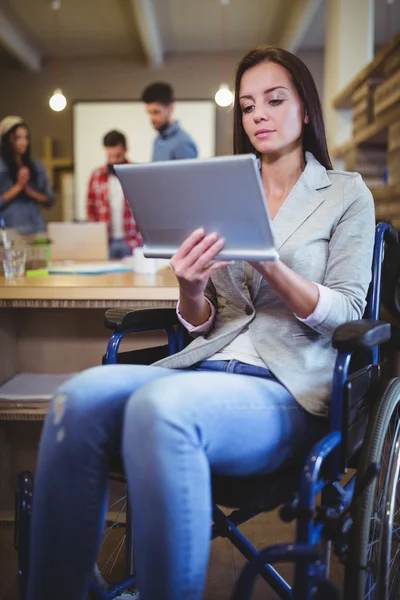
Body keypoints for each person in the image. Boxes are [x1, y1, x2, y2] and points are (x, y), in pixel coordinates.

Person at [27, 45, 375, 600]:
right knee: (79, 396)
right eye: (246, 106)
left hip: (287, 388)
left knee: (159, 408)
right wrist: (189, 288)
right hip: (208, 366)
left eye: (274, 100)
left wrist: (270, 261)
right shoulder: (222, 188)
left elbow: (348, 314)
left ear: (305, 109)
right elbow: (204, 320)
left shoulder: (345, 194)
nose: (258, 114)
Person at [87, 129, 142, 259]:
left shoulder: (138, 173)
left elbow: (148, 210)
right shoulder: (96, 176)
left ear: (125, 150)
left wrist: (139, 239)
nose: (113, 161)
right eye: (110, 156)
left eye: (117, 156)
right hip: (106, 242)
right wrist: (96, 240)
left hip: (133, 243)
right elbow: (91, 211)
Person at [0, 116, 55, 235]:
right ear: (6, 139)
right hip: (9, 231)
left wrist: (28, 191)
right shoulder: (1, 167)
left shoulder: (36, 166)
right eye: (18, 138)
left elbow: (50, 200)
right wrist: (18, 187)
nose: (23, 142)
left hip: (36, 228)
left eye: (26, 137)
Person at [141, 82, 198, 161]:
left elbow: (188, 173)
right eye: (149, 113)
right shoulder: (157, 140)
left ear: (171, 108)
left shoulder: (183, 143)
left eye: (156, 112)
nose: (152, 118)